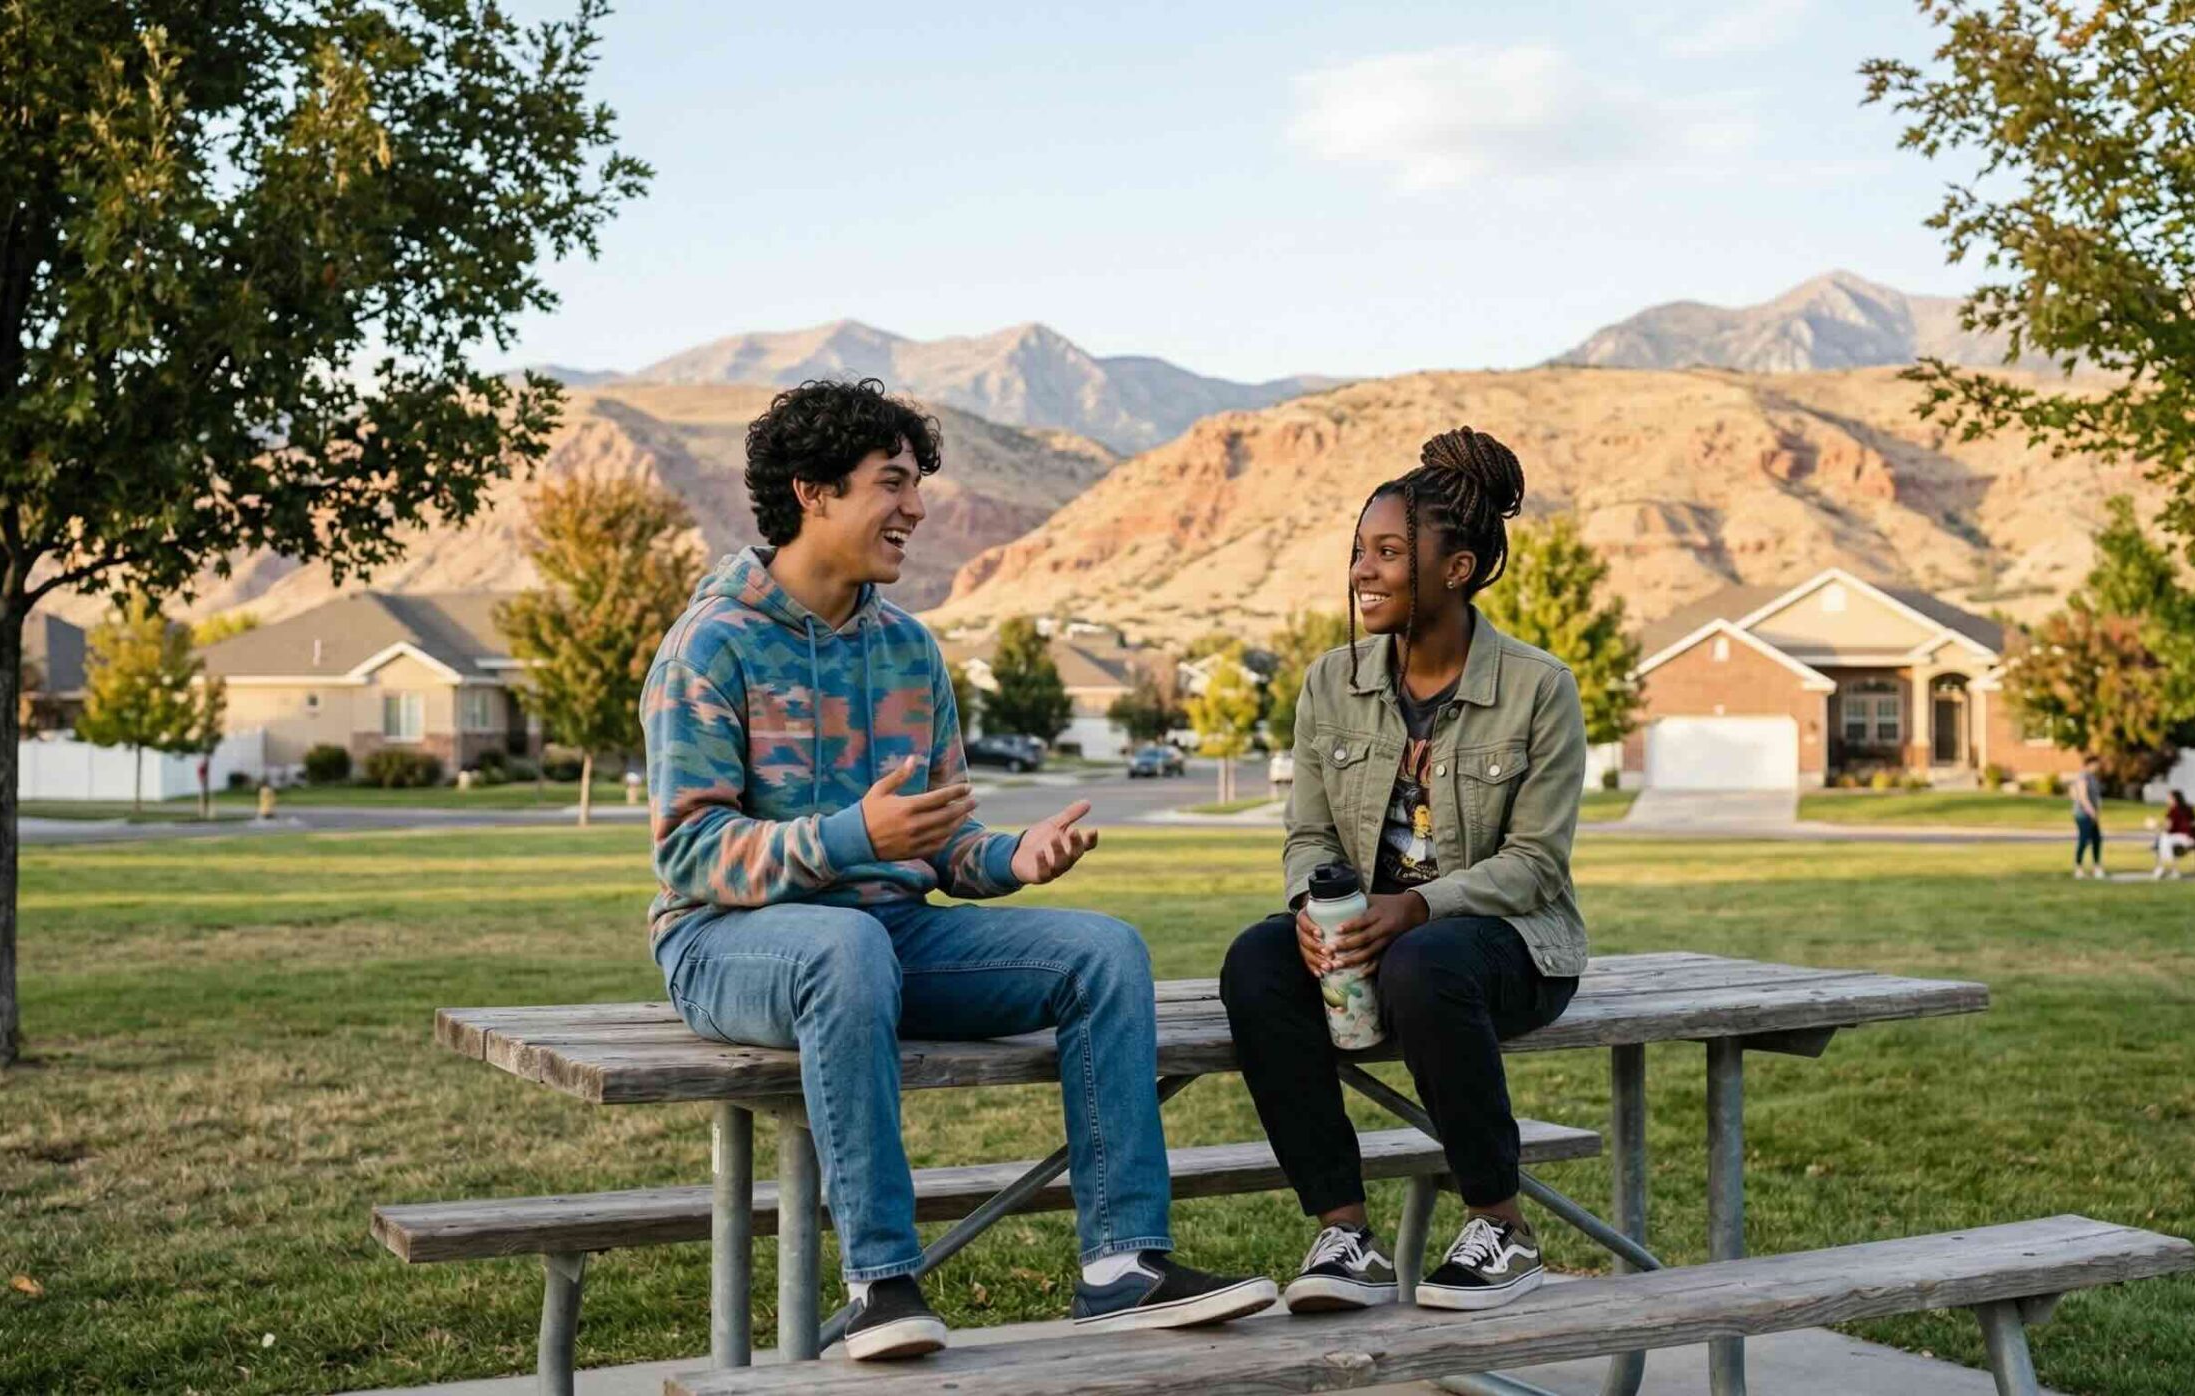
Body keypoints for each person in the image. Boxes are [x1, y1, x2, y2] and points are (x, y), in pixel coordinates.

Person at [642, 379, 1276, 1361]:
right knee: (845, 945)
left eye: (916, 484)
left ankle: (1121, 1264)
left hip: (885, 939)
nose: (916, 509)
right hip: (730, 941)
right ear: (812, 492)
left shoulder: (906, 648)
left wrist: (1008, 858)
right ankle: (883, 1281)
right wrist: (852, 836)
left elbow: (936, 840)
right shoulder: (709, 647)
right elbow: (689, 851)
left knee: (1104, 949)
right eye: (890, 483)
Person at [1219, 427, 1587, 1315]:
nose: (1363, 571)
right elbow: (1307, 834)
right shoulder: (1329, 684)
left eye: (1390, 552)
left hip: (1506, 948)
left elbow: (1534, 866)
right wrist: (1316, 908)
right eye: (1359, 551)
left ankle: (1502, 1226)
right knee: (1256, 962)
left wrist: (1416, 909)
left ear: (1456, 569)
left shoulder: (1540, 688)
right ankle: (1346, 1235)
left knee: (1429, 962)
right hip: (1368, 941)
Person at [2070, 756, 2107, 880]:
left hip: (2093, 814)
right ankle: (2078, 868)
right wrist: (2092, 812)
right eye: (2096, 764)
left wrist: (2097, 810)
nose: (2098, 767)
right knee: (2084, 839)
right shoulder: (2083, 777)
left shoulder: (2093, 778)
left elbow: (2096, 797)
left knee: (2097, 839)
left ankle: (2097, 867)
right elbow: (2083, 797)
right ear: (2089, 764)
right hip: (2083, 814)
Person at [2153, 790, 2195, 879]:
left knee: (2164, 839)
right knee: (2165, 840)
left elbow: (2168, 828)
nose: (2167, 800)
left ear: (2174, 799)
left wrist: (2155, 825)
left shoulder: (2173, 810)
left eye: (2169, 798)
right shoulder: (2189, 808)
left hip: (2183, 839)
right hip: (2191, 838)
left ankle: (2165, 868)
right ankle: (2168, 869)